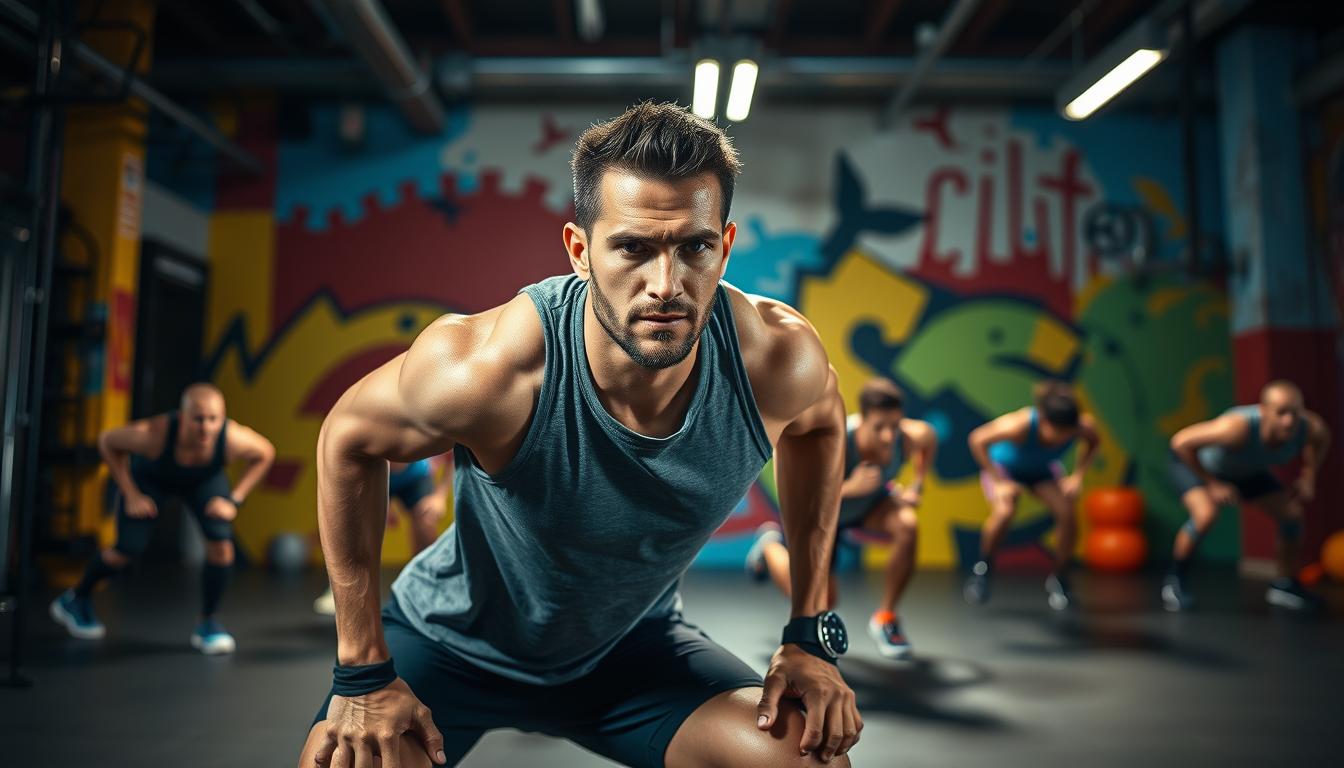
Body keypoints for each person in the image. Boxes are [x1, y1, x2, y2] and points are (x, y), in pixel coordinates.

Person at [299, 102, 862, 768]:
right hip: (452, 644)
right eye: (633, 247)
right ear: (579, 251)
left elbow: (822, 425)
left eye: (694, 248)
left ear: (726, 246)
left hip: (631, 652)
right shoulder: (491, 370)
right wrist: (362, 671)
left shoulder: (775, 359)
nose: (666, 285)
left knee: (810, 758)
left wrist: (807, 635)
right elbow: (349, 437)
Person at [49, 383, 275, 654]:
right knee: (127, 549)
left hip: (203, 481)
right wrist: (131, 493)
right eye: (198, 419)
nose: (206, 428)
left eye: (213, 419)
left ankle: (208, 624)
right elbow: (107, 441)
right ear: (182, 417)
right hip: (152, 479)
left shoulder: (233, 438)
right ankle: (76, 598)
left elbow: (266, 453)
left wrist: (234, 499)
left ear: (223, 418)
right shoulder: (154, 434)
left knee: (222, 549)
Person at [746, 377, 936, 659]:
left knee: (907, 525)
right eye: (879, 428)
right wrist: (850, 488)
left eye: (894, 426)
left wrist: (916, 485)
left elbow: (928, 440)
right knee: (823, 601)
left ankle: (885, 618)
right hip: (822, 516)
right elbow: (802, 494)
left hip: (868, 507)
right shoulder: (836, 441)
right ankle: (769, 544)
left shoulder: (908, 437)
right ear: (863, 421)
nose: (888, 436)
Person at [1162, 380, 1331, 612]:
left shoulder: (1309, 427)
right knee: (1206, 515)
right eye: (1281, 413)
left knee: (1291, 515)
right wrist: (1213, 483)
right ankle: (1174, 581)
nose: (1289, 421)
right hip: (1197, 466)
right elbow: (1180, 443)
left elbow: (1321, 439)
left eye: (1295, 412)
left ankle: (1284, 586)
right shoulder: (1236, 428)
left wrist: (1309, 475)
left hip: (1246, 472)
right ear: (1263, 411)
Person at [964, 381, 1099, 610]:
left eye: (1068, 433)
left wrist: (1077, 476)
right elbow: (977, 439)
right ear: (1044, 421)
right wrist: (998, 482)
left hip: (1039, 470)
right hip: (1004, 468)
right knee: (1005, 511)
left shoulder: (1080, 426)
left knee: (1066, 513)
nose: (1063, 438)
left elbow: (1093, 442)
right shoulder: (1020, 424)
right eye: (1058, 433)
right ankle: (982, 570)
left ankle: (1060, 577)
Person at [313, 456, 452, 616]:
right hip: (376, 474)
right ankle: (342, 588)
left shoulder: (427, 440)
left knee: (426, 520)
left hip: (415, 476)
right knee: (357, 526)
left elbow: (455, 455)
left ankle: (426, 589)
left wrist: (440, 496)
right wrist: (381, 504)